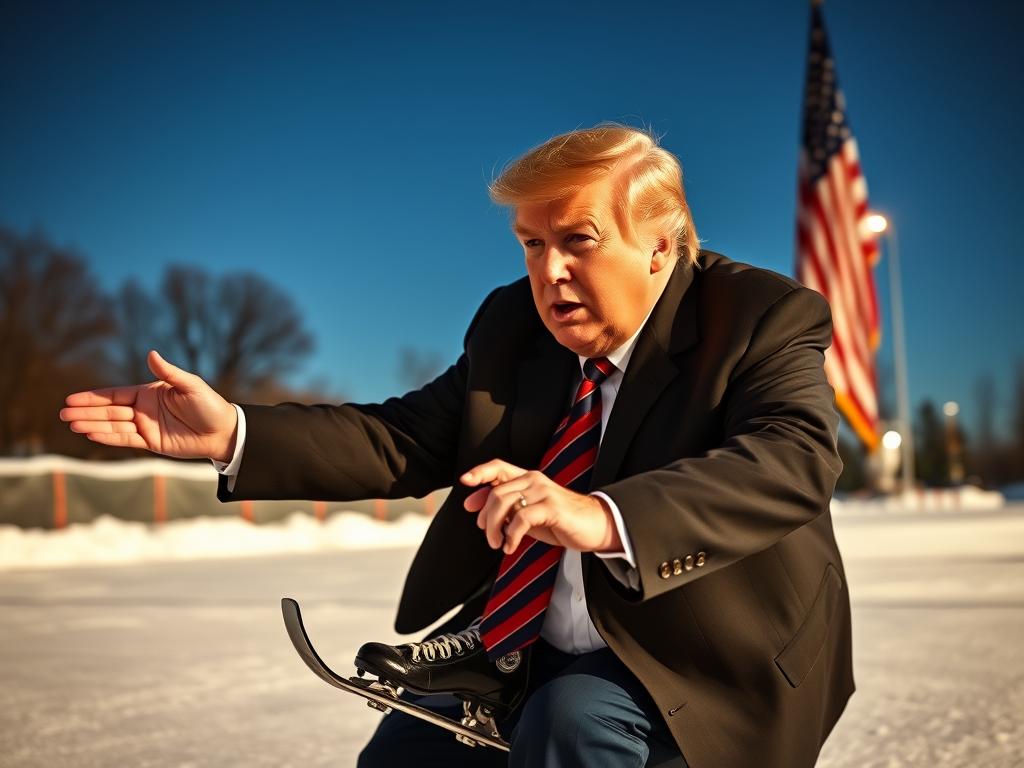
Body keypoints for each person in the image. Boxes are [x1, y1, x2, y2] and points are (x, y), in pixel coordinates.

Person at [60, 124, 854, 768]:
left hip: (701, 655)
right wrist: (235, 432)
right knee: (403, 755)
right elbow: (403, 438)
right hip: (521, 643)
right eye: (531, 245)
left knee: (572, 725)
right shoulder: (514, 329)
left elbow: (793, 457)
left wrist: (601, 516)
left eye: (577, 239)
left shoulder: (758, 316)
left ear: (658, 245)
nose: (550, 272)